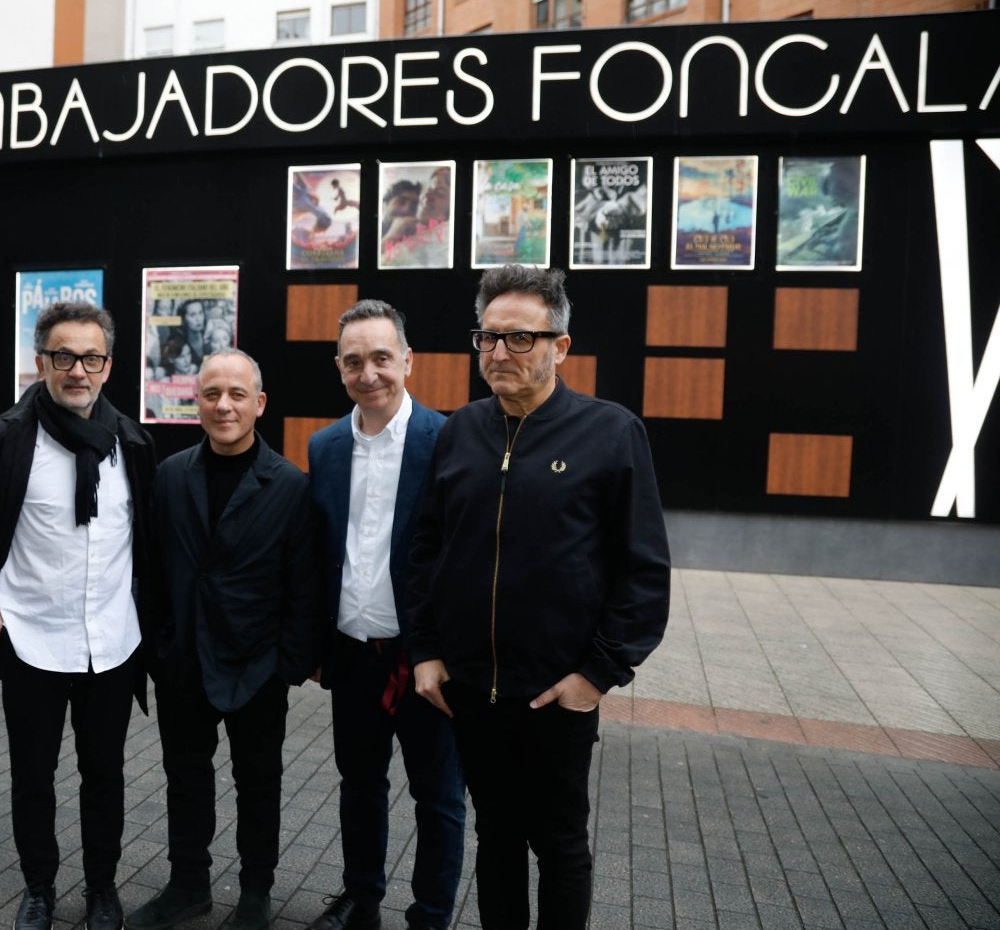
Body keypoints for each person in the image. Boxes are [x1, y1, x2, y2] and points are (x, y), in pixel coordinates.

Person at [408, 265, 671, 929]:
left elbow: (643, 571)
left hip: (558, 693)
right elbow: (425, 551)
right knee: (495, 836)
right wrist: (426, 651)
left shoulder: (611, 434)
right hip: (472, 689)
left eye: (520, 339)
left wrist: (596, 675)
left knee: (558, 844)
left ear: (561, 345)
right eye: (488, 338)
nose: (499, 354)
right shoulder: (459, 432)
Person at [0, 301, 157, 930]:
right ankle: (39, 887)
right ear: (41, 362)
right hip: (30, 640)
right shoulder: (8, 436)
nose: (76, 370)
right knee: (33, 776)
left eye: (89, 357)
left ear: (108, 365)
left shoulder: (131, 443)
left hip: (111, 642)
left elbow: (148, 545)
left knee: (104, 775)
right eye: (63, 356)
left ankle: (103, 889)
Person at [128, 349, 324, 930]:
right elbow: (154, 569)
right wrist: (160, 649)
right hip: (184, 662)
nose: (224, 405)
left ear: (259, 404)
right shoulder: (170, 475)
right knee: (185, 782)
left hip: (255, 666)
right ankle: (187, 886)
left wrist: (288, 665)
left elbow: (304, 587)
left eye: (237, 394)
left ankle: (256, 894)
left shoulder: (289, 486)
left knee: (258, 785)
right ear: (196, 402)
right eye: (212, 394)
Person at [306, 301, 465, 930]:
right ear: (340, 369)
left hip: (424, 659)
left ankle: (429, 915)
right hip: (353, 654)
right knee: (360, 784)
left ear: (407, 361)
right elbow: (324, 551)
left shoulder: (449, 440)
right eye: (353, 361)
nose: (368, 373)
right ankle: (361, 898)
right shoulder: (324, 447)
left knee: (439, 797)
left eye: (380, 358)